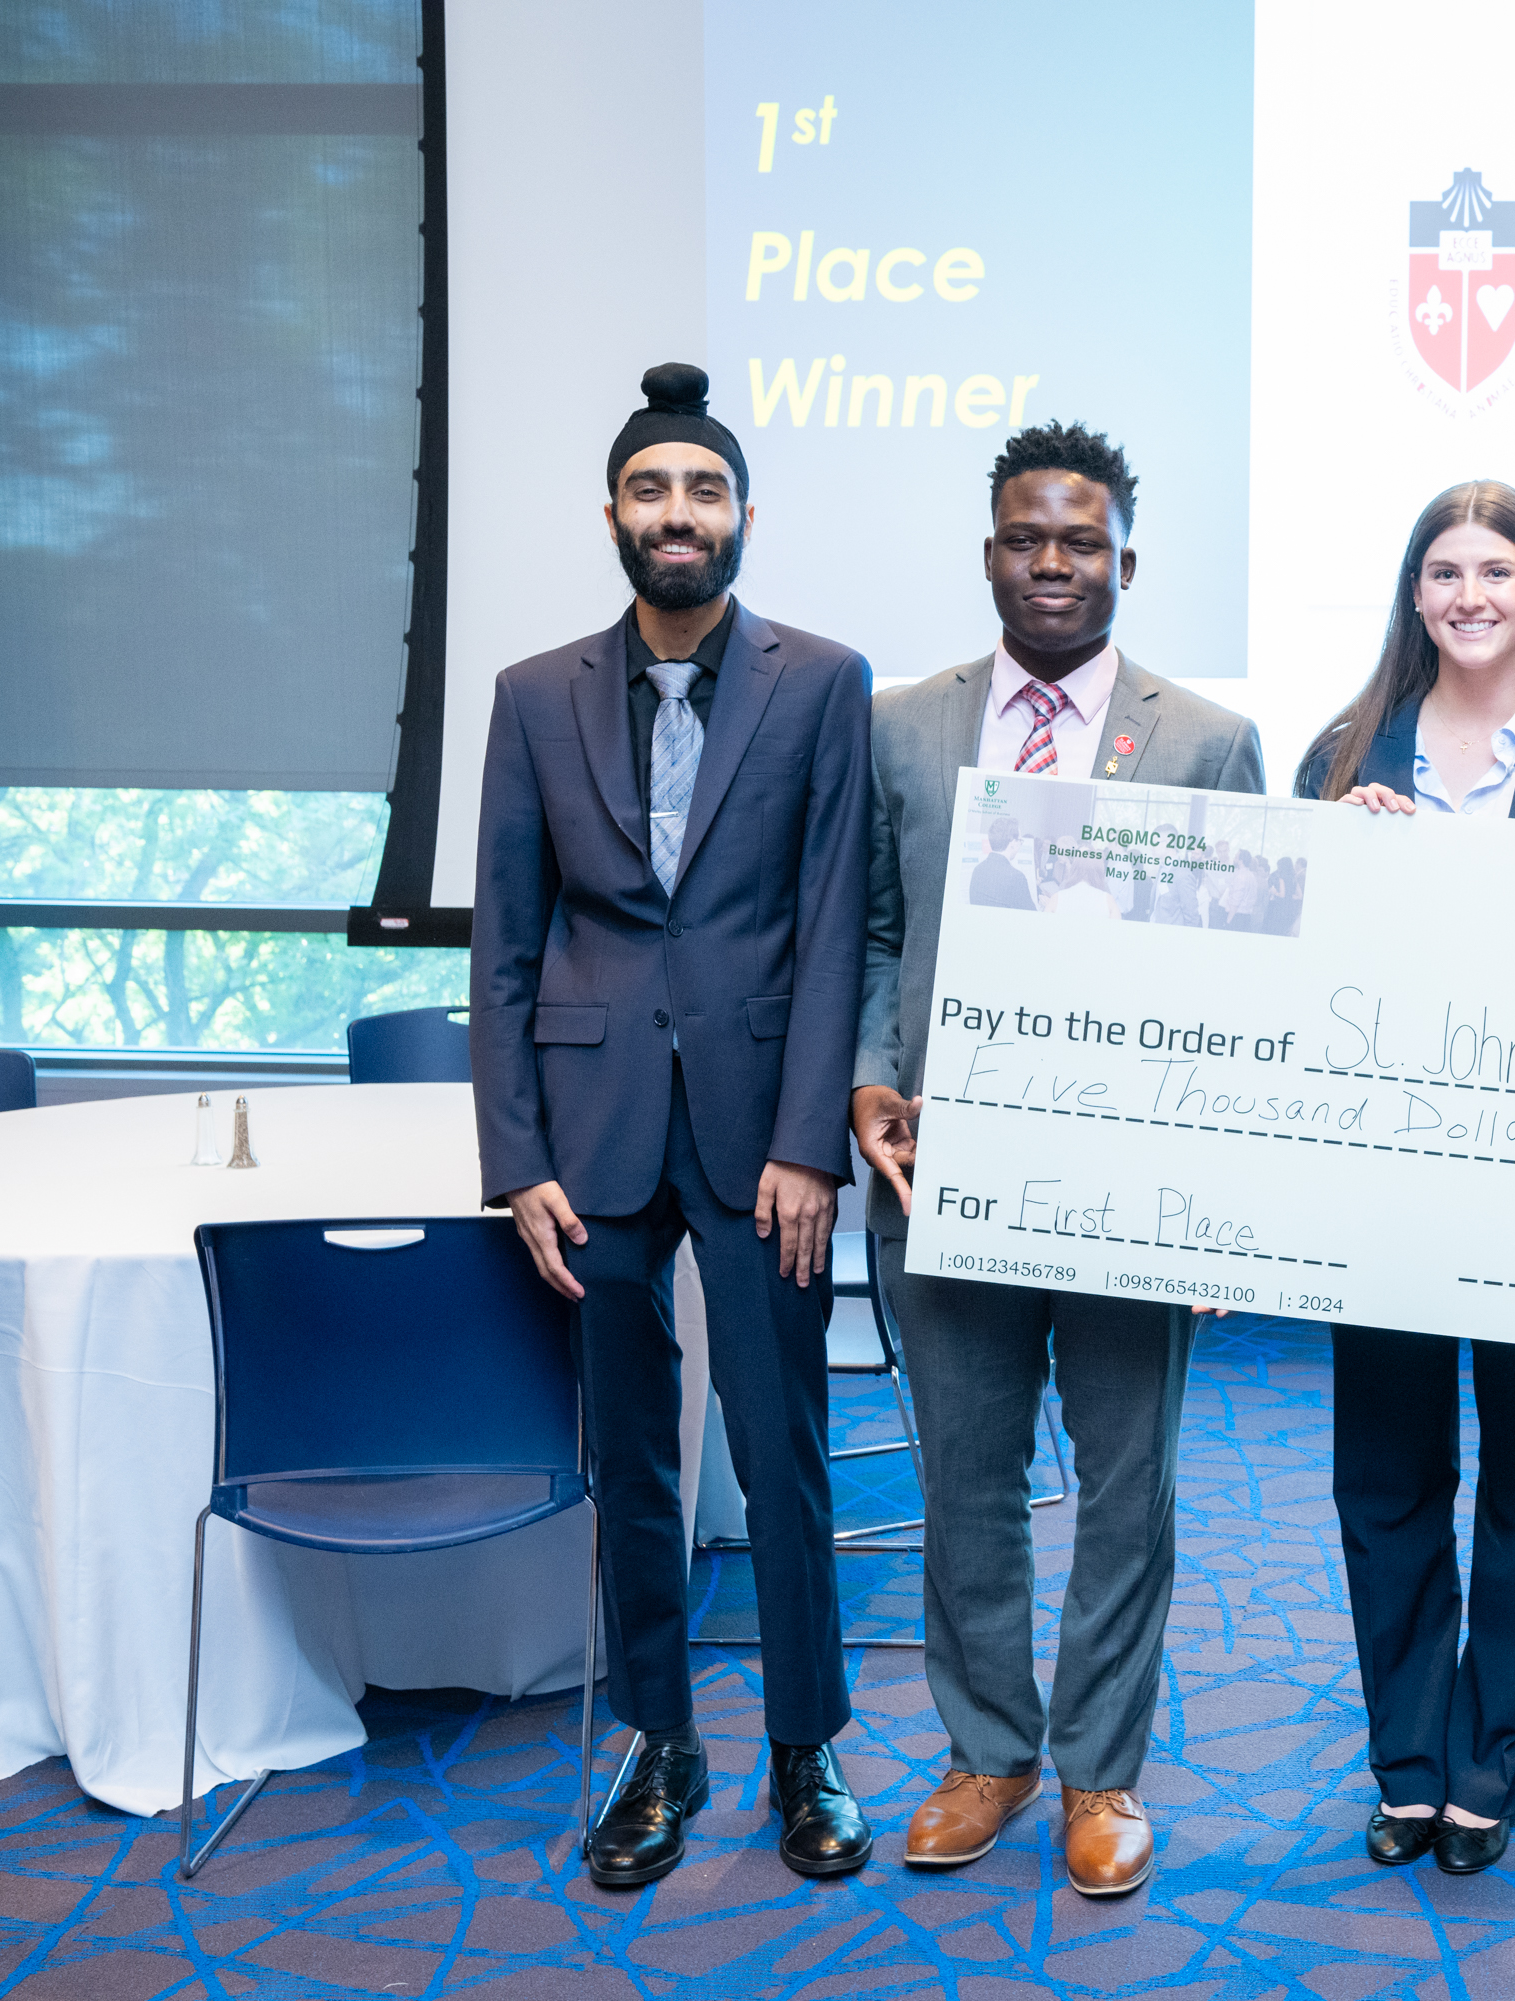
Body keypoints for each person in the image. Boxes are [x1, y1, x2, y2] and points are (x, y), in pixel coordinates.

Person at [471, 362, 874, 1887]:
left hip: (762, 1139)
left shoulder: (821, 681)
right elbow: (504, 945)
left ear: (744, 515)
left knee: (783, 1451)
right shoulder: (530, 697)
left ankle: (803, 1745)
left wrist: (808, 1141)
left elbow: (832, 922)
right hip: (591, 1145)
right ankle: (658, 1742)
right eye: (653, 491)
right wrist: (519, 1161)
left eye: (704, 490)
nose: (679, 515)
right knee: (631, 1455)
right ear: (614, 516)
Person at [852, 421, 1263, 1897]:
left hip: (1126, 1187)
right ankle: (987, 1753)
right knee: (963, 1477)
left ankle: (1101, 1771)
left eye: (1079, 541)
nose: (1051, 563)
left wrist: (1217, 1202)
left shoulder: (1207, 739)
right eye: (1027, 538)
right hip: (942, 1177)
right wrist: (867, 1078)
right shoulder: (902, 724)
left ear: (1125, 561)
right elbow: (874, 929)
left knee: (1123, 1483)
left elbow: (1240, 980)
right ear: (989, 555)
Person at [1298, 479, 1515, 1878]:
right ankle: (1407, 1760)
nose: (1468, 593)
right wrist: (1342, 858)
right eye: (1444, 570)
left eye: (1496, 569)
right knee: (1384, 1477)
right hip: (1382, 1171)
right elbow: (1291, 962)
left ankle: (1491, 1762)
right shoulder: (1341, 748)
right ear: (1416, 593)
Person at [968, 815, 1035, 909]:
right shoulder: (1017, 877)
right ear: (1012, 842)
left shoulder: (977, 869)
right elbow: (1030, 916)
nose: (1020, 845)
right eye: (1020, 840)